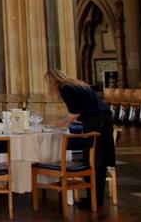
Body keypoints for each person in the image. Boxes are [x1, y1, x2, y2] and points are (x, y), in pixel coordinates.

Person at [46, 68, 115, 209]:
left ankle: (94, 200)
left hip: (96, 122)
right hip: (103, 119)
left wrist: (57, 124)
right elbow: (77, 111)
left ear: (52, 81)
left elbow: (74, 114)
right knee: (97, 161)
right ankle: (95, 199)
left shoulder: (65, 89)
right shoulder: (76, 85)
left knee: (93, 161)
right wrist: (61, 122)